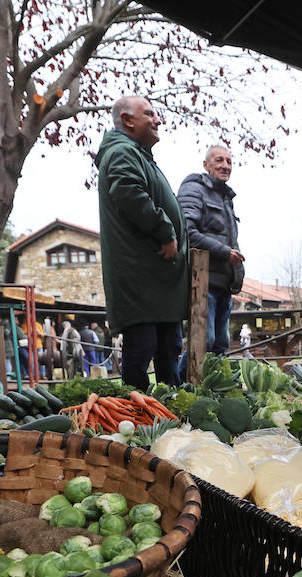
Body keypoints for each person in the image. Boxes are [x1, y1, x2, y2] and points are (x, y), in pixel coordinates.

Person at [97, 94, 187, 389]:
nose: (157, 119)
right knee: (142, 352)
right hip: (141, 279)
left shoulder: (135, 153)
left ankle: (170, 418)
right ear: (127, 120)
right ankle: (138, 418)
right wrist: (166, 231)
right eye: (149, 114)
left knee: (167, 350)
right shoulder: (123, 152)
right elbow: (129, 194)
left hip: (154, 281)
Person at [178, 145, 245, 355]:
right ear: (206, 165)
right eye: (219, 160)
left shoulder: (226, 199)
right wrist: (225, 252)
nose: (225, 166)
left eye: (229, 161)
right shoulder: (194, 189)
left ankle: (215, 388)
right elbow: (187, 232)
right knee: (203, 341)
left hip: (224, 283)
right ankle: (184, 384)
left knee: (220, 344)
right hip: (203, 281)